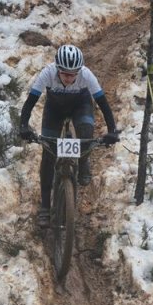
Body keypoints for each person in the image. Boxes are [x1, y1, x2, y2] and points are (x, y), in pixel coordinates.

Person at [18, 44, 120, 228]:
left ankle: (83, 161)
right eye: (65, 73)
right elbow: (30, 102)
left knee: (87, 131)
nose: (69, 78)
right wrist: (23, 126)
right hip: (54, 110)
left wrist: (112, 130)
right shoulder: (47, 73)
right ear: (57, 69)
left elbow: (103, 103)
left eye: (73, 74)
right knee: (48, 155)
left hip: (80, 105)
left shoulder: (86, 75)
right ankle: (45, 207)